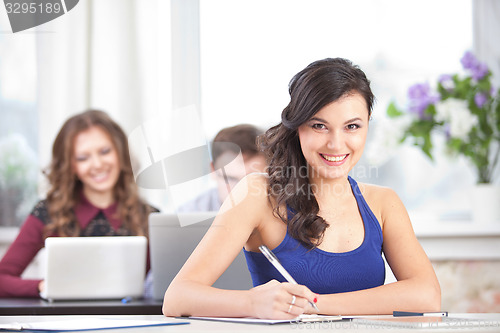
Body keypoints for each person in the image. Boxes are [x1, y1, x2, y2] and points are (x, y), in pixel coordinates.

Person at [162, 58, 441, 319]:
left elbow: (427, 295)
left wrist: (314, 305)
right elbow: (177, 298)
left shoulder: (383, 202)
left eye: (352, 126)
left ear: (368, 126)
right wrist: (251, 303)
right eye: (319, 126)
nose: (336, 143)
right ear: (297, 128)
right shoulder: (257, 194)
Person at [0, 110, 158, 298]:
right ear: (70, 165)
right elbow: (3, 278)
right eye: (83, 158)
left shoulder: (148, 217)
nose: (97, 164)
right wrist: (45, 286)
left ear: (120, 153)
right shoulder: (49, 213)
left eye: (105, 151)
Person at [177, 124, 266, 212]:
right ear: (213, 170)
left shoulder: (278, 213)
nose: (241, 192)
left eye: (253, 181)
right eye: (230, 179)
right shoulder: (188, 213)